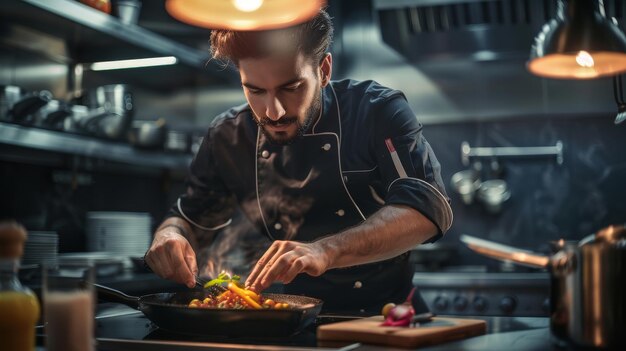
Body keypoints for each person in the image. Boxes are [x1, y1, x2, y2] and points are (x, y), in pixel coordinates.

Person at [144, 9, 452, 314]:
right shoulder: (227, 136)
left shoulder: (376, 111)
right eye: (255, 91)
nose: (273, 111)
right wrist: (169, 235)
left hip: (387, 315)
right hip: (290, 319)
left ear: (324, 70)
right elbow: (189, 220)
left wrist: (326, 250)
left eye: (290, 88)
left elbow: (426, 209)